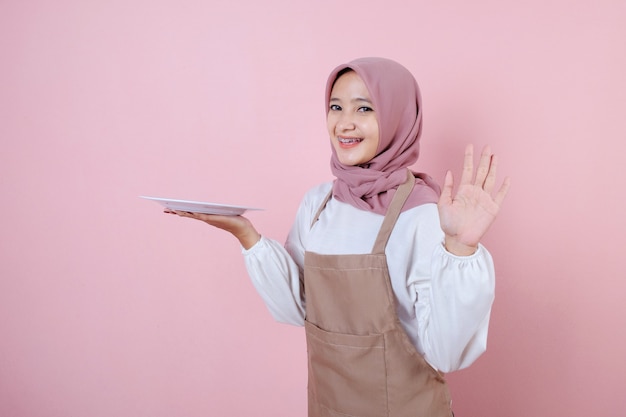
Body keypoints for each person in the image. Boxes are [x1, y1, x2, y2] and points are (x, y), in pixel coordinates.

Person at [165, 57, 510, 417]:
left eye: (364, 108)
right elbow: (297, 308)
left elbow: (446, 354)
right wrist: (245, 234)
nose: (344, 123)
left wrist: (461, 247)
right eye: (335, 107)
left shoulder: (423, 215)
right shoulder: (319, 203)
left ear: (397, 117)